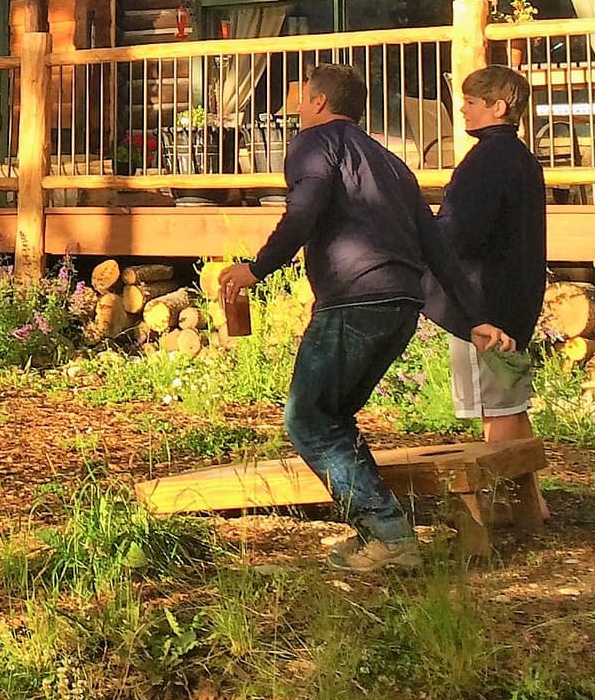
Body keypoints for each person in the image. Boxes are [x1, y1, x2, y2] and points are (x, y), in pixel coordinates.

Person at [217, 64, 506, 575]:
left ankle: (391, 535)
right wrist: (476, 316)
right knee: (333, 417)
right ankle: (377, 533)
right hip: (400, 304)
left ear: (319, 101)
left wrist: (256, 267)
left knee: (307, 420)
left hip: (354, 300)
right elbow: (437, 247)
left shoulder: (313, 143)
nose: (296, 102)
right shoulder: (392, 163)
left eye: (300, 94)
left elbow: (303, 210)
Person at [435, 63, 550, 524]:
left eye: (472, 101)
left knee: (496, 409)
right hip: (517, 293)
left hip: (485, 302)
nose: (462, 108)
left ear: (498, 107)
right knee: (514, 405)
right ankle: (532, 503)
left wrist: (425, 243)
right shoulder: (521, 157)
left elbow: (460, 232)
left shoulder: (486, 161)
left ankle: (499, 505)